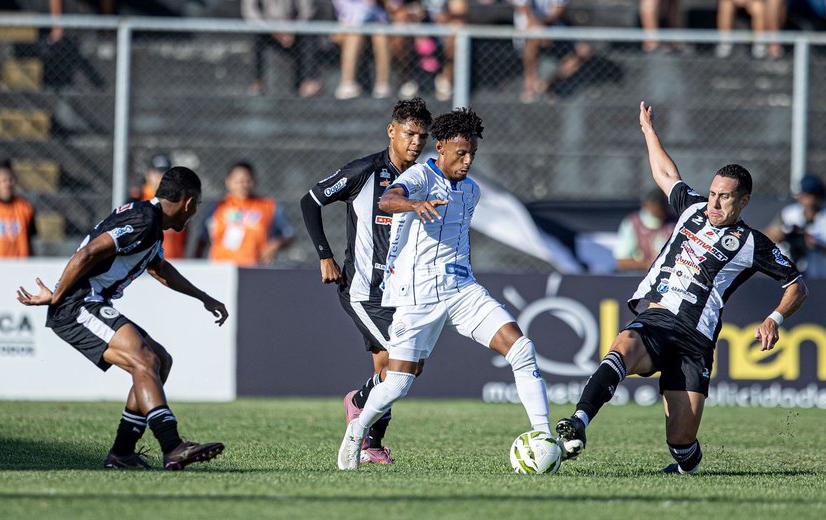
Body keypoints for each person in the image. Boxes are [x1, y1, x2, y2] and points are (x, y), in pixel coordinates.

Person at [553, 101, 808, 475]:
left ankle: (687, 463)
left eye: (725, 196)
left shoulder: (753, 244)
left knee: (680, 441)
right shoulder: (692, 208)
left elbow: (797, 286)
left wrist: (774, 319)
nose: (715, 202)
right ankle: (578, 422)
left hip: (695, 339)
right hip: (657, 317)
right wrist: (648, 131)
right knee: (622, 348)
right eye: (713, 193)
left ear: (745, 201)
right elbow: (664, 171)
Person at [336, 107, 556, 470]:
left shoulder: (471, 191)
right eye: (460, 153)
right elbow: (387, 200)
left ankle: (544, 437)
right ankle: (357, 430)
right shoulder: (421, 175)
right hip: (418, 294)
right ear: (440, 147)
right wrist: (414, 204)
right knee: (399, 383)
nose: (467, 161)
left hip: (461, 289)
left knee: (522, 349)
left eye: (472, 154)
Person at [16, 166, 227, 470]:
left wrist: (203, 297)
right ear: (189, 203)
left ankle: (122, 453)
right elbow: (87, 254)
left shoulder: (150, 224)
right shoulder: (144, 221)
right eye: (197, 206)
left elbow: (159, 269)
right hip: (77, 304)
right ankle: (172, 445)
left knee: (158, 359)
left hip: (88, 301)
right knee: (145, 360)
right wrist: (57, 295)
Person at [300, 98, 433, 464]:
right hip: (363, 288)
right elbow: (310, 201)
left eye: (422, 136)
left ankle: (370, 438)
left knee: (386, 369)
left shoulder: (423, 177)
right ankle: (359, 407)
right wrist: (324, 254)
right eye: (409, 133)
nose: (416, 142)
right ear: (392, 131)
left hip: (402, 289)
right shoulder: (365, 171)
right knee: (401, 365)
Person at [195, 161, 295, 266]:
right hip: (221, 267)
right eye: (239, 181)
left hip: (255, 268)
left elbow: (289, 234)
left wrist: (275, 244)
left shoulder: (269, 206)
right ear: (228, 182)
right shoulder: (217, 206)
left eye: (248, 181)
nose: (243, 185)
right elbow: (203, 238)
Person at [513, 0, 592, 103]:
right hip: (527, 24)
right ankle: (529, 85)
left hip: (552, 26)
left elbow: (557, 12)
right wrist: (540, 29)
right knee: (533, 40)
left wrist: (544, 29)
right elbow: (524, 10)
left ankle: (546, 84)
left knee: (584, 50)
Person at [241, 0, 323, 97]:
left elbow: (307, 11)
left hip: (292, 27)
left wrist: (293, 29)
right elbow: (249, 12)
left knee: (309, 37)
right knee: (255, 37)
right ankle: (256, 81)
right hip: (267, 28)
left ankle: (308, 80)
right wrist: (272, 29)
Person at [765, 174, 826, 279]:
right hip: (790, 272)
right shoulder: (789, 214)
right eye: (806, 195)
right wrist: (786, 236)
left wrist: (815, 245)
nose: (809, 199)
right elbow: (769, 235)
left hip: (819, 274)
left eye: (813, 195)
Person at [128, 154, 188, 259]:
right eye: (157, 172)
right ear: (148, 174)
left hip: (173, 264)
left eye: (166, 173)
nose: (161, 177)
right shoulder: (137, 200)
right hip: (142, 266)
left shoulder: (179, 202)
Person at [332, 0, 392, 100]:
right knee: (354, 35)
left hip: (374, 27)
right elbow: (350, 16)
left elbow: (383, 16)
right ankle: (347, 84)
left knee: (381, 34)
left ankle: (382, 85)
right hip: (348, 27)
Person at [614, 190, 675, 273]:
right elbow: (621, 261)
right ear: (645, 206)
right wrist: (647, 264)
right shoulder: (633, 223)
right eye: (653, 210)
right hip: (641, 276)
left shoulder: (676, 223)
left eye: (660, 210)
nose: (657, 213)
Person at [0, 160, 36, 258]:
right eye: (2, 181)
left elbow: (30, 239)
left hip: (20, 265)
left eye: (10, 179)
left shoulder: (26, 207)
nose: (7, 184)